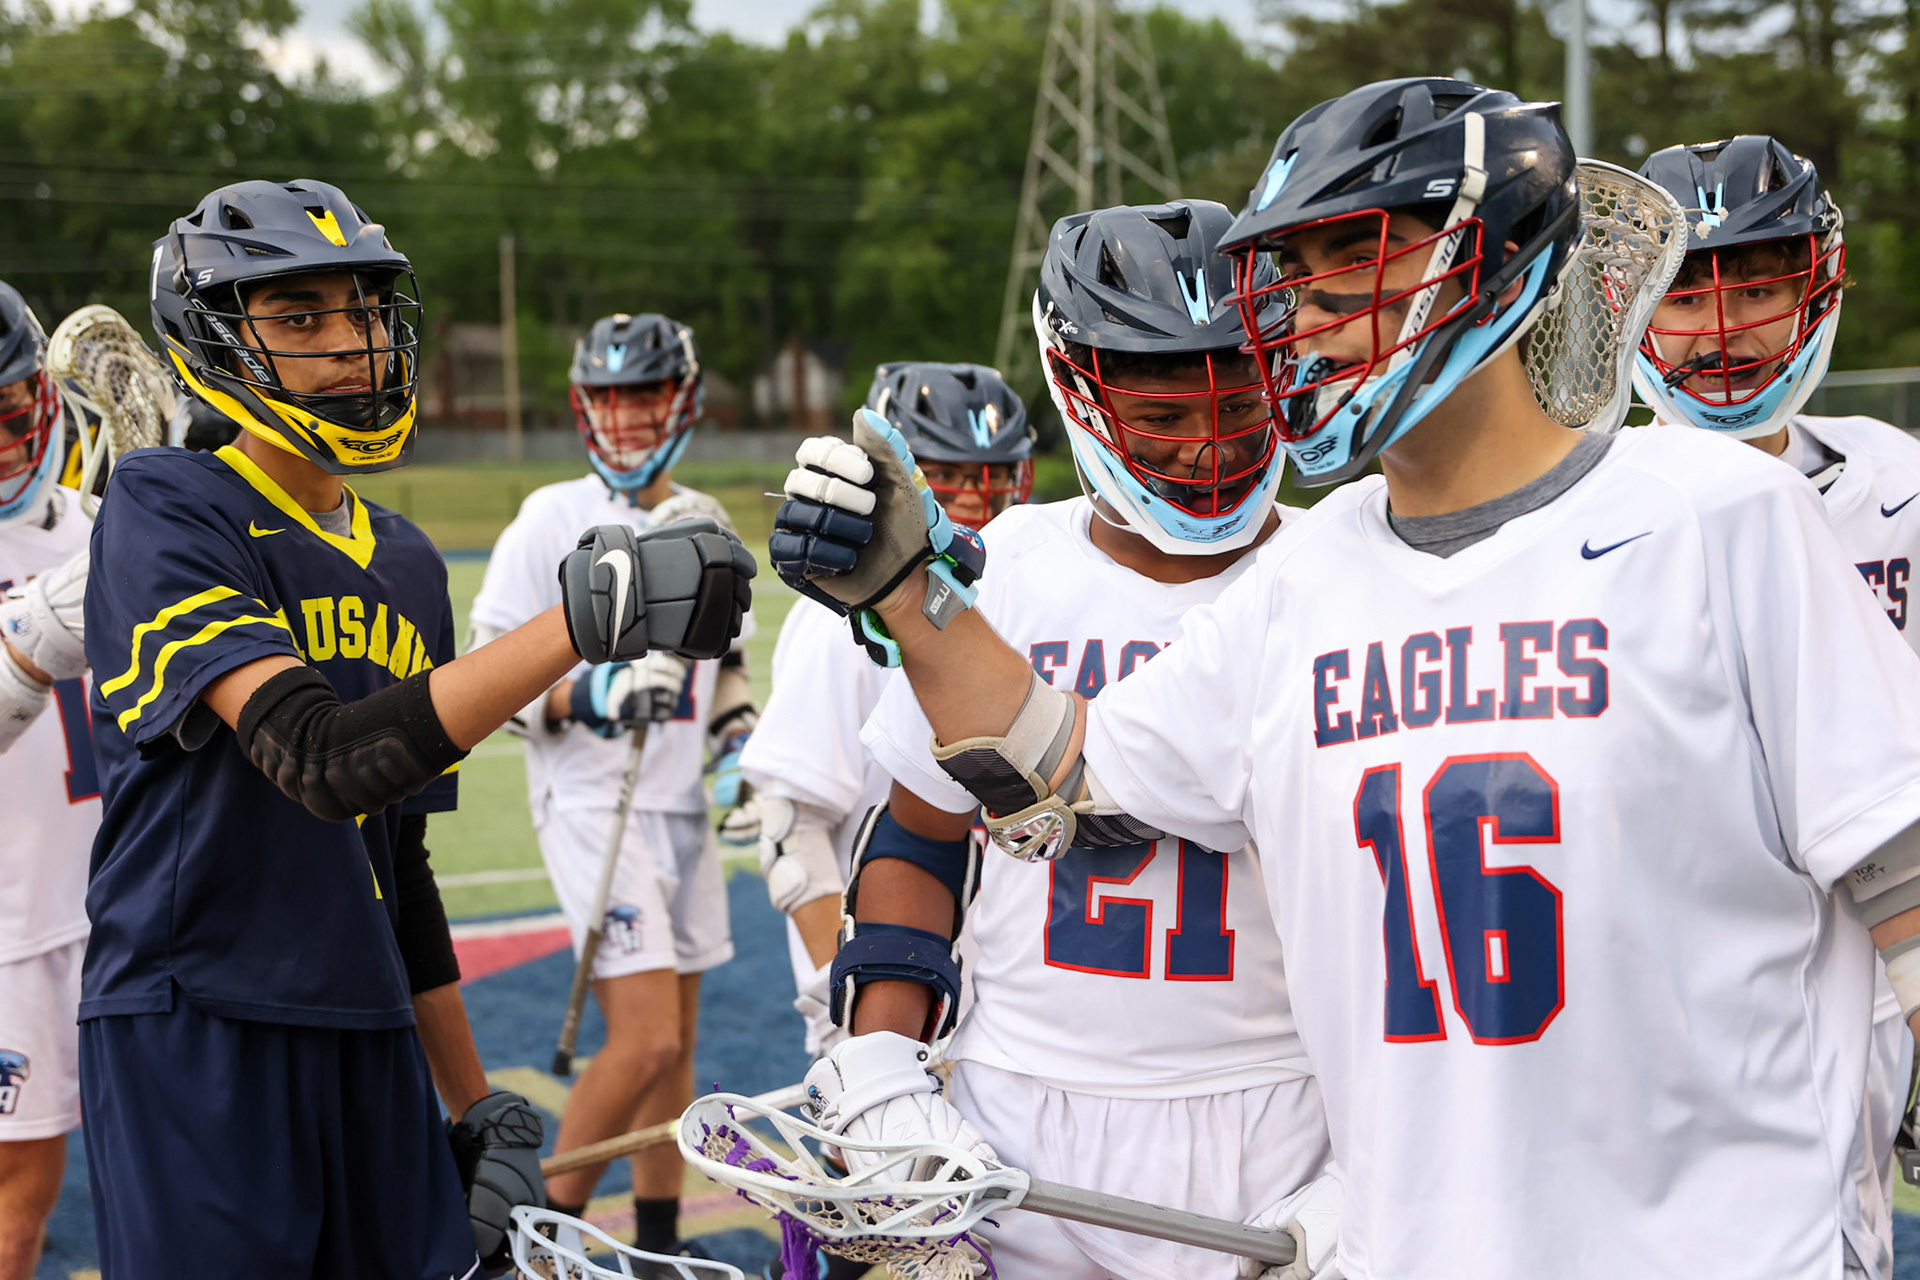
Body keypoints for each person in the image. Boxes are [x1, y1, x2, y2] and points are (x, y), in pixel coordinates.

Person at [770, 78, 1920, 1280]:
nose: (1298, 320)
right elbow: (1057, 761)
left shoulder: (1720, 514)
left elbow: (1901, 869)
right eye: (1289, 279)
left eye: (1342, 265)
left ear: (1493, 257)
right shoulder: (1308, 574)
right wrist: (909, 587)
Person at [81, 180, 752, 1279]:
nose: (350, 343)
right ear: (216, 339)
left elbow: (398, 859)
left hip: (369, 1018)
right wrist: (584, 619)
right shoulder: (167, 503)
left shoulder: (406, 562)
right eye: (300, 318)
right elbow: (322, 759)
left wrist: (474, 1096)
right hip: (203, 1014)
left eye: (362, 311)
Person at [828, 200, 1329, 1280]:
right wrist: (882, 1063)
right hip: (1019, 1115)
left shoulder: (1346, 572)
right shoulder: (1004, 566)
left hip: (1286, 1114)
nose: (1207, 443)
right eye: (1162, 409)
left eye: (1239, 400)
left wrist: (1379, 1154)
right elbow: (916, 839)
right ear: (1081, 388)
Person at [1634, 133, 1919, 1275]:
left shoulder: (1895, 484)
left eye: (1757, 284)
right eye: (1686, 292)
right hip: (1686, 981)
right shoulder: (1580, 503)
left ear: (1817, 285)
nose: (1724, 327)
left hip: (1882, 968)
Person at [468, 311, 756, 1253]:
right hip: (593, 796)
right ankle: (532, 1244)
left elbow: (729, 666)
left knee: (676, 1043)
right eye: (608, 399)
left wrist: (736, 748)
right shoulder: (550, 517)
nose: (626, 418)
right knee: (647, 1041)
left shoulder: (703, 518)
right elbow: (489, 675)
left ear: (683, 401)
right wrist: (592, 690)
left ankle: (663, 1240)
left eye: (643, 396)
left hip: (675, 802)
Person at [736, 359, 1033, 1062]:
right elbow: (790, 827)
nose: (974, 497)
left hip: (1002, 999)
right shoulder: (852, 617)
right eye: (949, 474)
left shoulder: (1031, 588)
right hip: (891, 987)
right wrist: (844, 1014)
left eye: (993, 476)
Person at [0, 283, 96, 1280]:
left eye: (11, 405)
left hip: (129, 910)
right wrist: (33, 633)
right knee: (15, 1209)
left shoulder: (112, 525)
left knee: (177, 1173)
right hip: (11, 929)